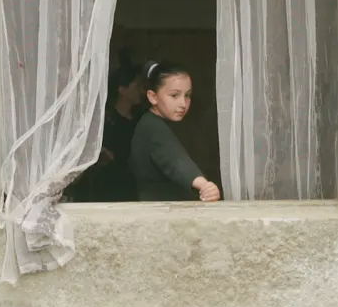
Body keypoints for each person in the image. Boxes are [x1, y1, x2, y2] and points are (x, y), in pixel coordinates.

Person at [129, 60, 221, 202]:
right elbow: (175, 161)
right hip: (158, 214)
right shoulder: (152, 127)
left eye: (187, 95)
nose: (183, 104)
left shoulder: (161, 123)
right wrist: (205, 185)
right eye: (174, 95)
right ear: (153, 97)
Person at [63, 51, 144, 202]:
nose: (141, 91)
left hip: (131, 186)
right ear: (122, 89)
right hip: (106, 186)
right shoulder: (106, 120)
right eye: (137, 86)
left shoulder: (141, 119)